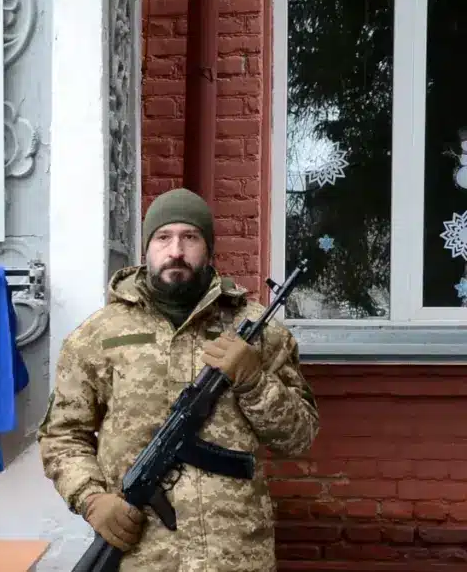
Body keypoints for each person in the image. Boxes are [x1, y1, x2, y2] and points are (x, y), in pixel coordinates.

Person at [38, 188, 320, 571]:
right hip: (141, 557)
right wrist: (92, 499)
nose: (176, 251)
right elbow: (63, 435)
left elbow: (298, 438)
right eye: (163, 237)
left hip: (234, 557)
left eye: (190, 237)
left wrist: (253, 381)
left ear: (209, 249)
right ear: (147, 248)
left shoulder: (259, 332)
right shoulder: (98, 335)